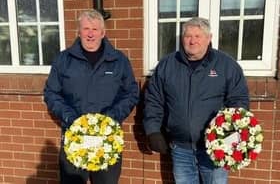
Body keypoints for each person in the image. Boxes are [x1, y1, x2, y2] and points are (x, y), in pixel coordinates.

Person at [143, 17, 249, 184]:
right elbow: (154, 100)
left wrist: (229, 133)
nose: (192, 41)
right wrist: (153, 130)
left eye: (198, 36)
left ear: (209, 38)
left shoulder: (227, 66)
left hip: (214, 148)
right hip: (180, 148)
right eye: (188, 36)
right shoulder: (167, 65)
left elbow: (239, 102)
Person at [44, 10, 139, 184]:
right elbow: (51, 93)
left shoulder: (119, 60)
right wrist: (70, 117)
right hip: (74, 137)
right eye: (86, 28)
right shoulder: (63, 60)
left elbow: (131, 93)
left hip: (107, 139)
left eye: (95, 29)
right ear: (78, 31)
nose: (90, 34)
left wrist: (111, 118)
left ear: (103, 32)